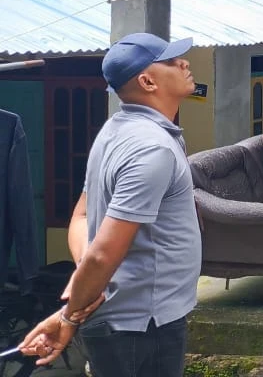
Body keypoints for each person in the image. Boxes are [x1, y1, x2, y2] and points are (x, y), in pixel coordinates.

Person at [19, 33, 200, 377]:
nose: (184, 63)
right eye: (172, 60)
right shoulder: (152, 148)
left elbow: (81, 217)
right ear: (148, 81)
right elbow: (102, 254)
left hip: (130, 319)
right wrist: (70, 315)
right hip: (142, 325)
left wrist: (85, 276)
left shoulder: (115, 130)